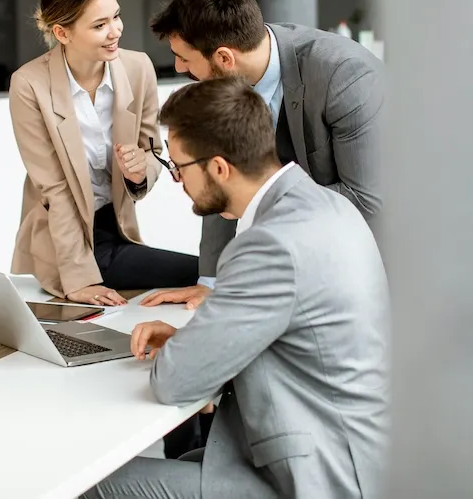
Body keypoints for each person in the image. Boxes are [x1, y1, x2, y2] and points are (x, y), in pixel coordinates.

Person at [82, 76, 390, 499]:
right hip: (351, 451)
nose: (177, 181)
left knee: (90, 486)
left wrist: (188, 352)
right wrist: (199, 338)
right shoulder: (325, 206)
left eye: (179, 167)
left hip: (318, 477)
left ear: (220, 168)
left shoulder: (270, 245)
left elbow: (174, 381)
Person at [141, 0, 385, 312]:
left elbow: (367, 199)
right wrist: (211, 282)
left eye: (185, 58)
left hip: (371, 274)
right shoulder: (222, 82)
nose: (180, 68)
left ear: (224, 58)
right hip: (290, 269)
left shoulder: (344, 76)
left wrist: (254, 197)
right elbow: (219, 182)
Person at [9, 0, 198, 306]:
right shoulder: (29, 85)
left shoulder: (138, 69)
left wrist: (141, 171)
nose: (115, 32)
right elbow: (55, 189)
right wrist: (79, 278)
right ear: (62, 33)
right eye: (99, 25)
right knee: (202, 273)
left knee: (207, 272)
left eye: (116, 17)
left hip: (118, 226)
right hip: (65, 238)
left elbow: (153, 151)